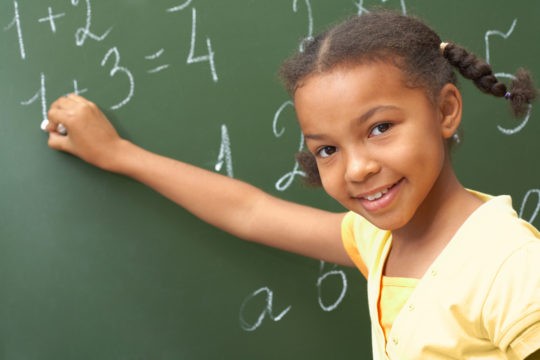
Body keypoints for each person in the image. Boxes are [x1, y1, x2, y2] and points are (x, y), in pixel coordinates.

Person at [45, 10, 539, 360]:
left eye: (380, 128)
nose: (356, 169)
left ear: (446, 110)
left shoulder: (508, 268)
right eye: (327, 149)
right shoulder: (380, 241)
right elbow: (250, 212)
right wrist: (119, 155)